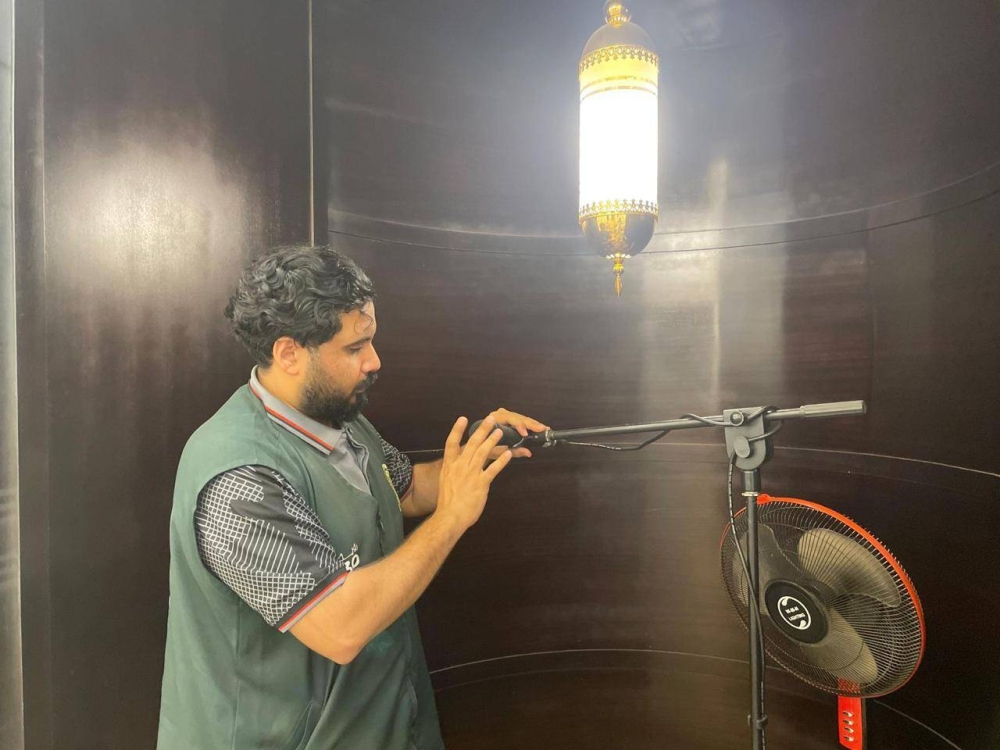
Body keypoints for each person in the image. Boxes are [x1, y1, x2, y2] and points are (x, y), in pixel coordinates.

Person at [157, 246, 548, 750]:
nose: (374, 360)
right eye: (355, 347)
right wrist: (452, 518)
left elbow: (405, 490)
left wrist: (477, 448)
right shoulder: (239, 479)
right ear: (289, 353)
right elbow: (341, 627)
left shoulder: (340, 417)